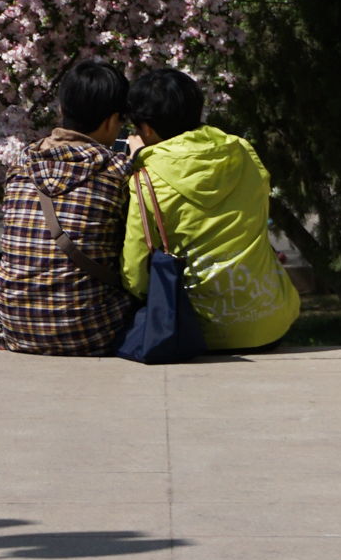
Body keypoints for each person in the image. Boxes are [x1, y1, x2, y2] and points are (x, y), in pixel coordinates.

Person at [121, 68, 299, 352]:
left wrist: (138, 159)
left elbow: (135, 275)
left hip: (194, 332)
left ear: (147, 129)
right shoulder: (242, 152)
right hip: (268, 322)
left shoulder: (145, 179)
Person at [0, 58, 136, 356]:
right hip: (89, 329)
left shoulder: (21, 165)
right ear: (112, 121)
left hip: (15, 325)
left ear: (60, 110)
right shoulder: (118, 171)